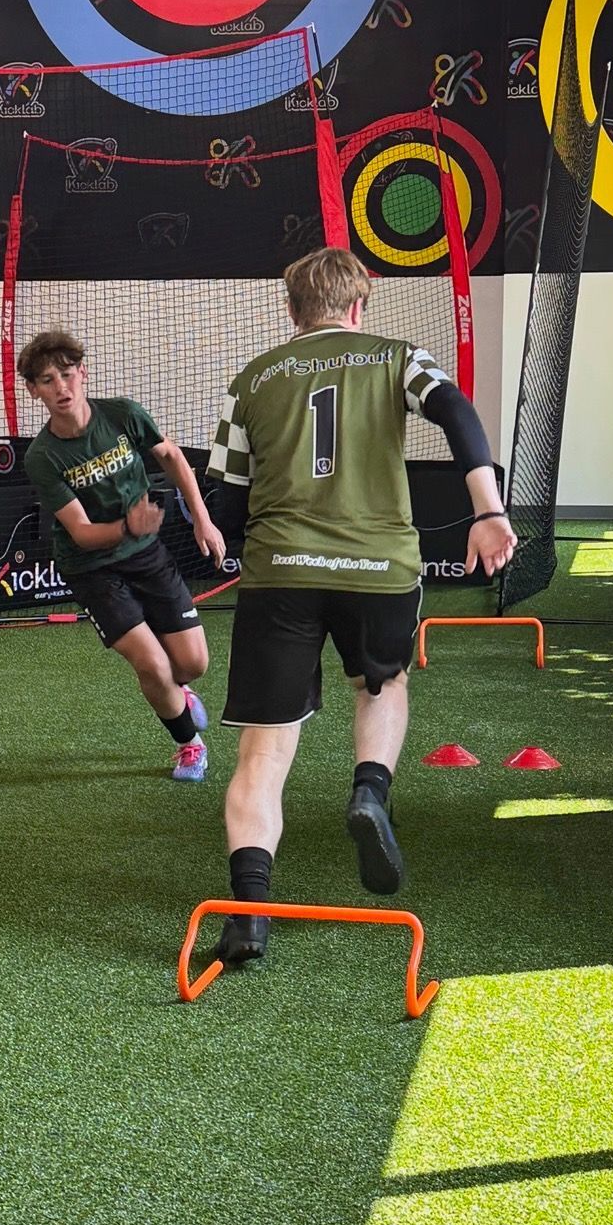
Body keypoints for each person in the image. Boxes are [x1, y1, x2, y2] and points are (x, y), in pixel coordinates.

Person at [204, 246, 516, 964]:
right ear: (359, 306)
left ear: (292, 311)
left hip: (279, 573)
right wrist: (487, 509)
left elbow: (230, 497)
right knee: (382, 683)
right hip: (378, 569)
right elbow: (455, 412)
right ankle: (369, 790)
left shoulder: (251, 379)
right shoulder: (397, 356)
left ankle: (247, 913)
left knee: (266, 746)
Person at [19, 328, 225, 782]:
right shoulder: (42, 456)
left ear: (83, 375)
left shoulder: (124, 415)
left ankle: (180, 691)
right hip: (91, 567)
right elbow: (83, 532)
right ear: (33, 390)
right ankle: (189, 744)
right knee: (151, 664)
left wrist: (201, 519)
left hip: (146, 553)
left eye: (68, 375)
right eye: (48, 381)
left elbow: (171, 457)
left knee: (191, 664)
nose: (62, 388)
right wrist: (128, 525)